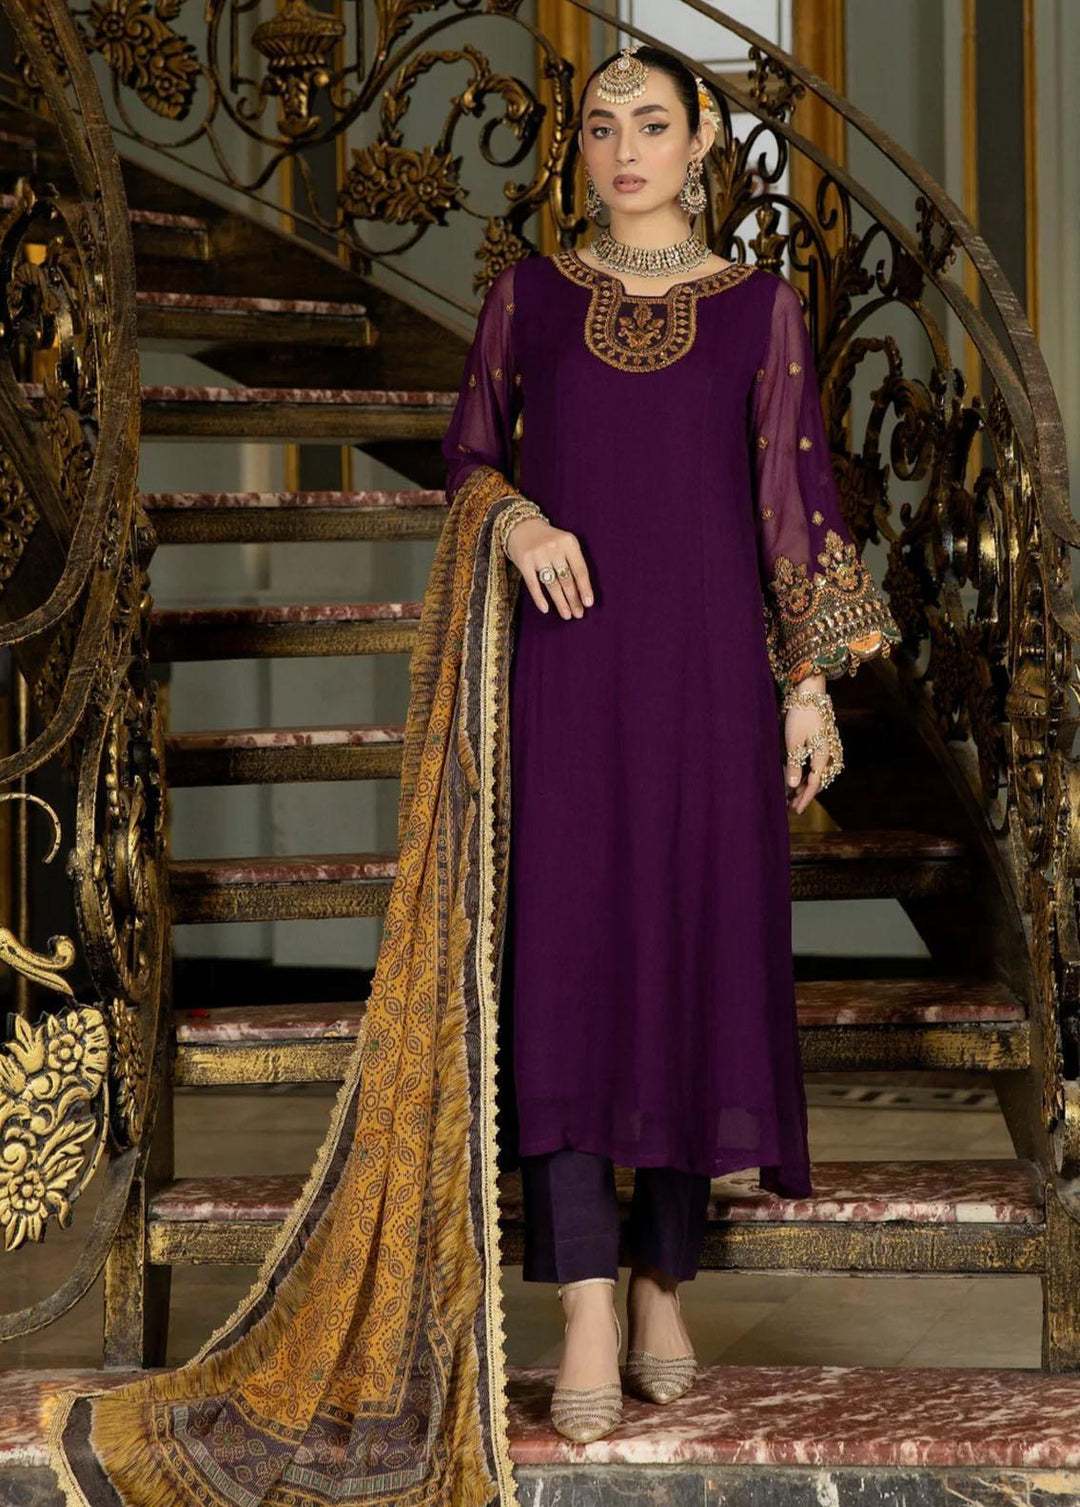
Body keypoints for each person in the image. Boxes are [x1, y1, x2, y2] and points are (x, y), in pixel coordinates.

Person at [439, 41, 902, 1445]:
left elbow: (794, 503)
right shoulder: (529, 297)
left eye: (652, 123)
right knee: (570, 962)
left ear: (702, 142)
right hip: (569, 675)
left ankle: (662, 1281)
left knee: (690, 954)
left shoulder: (762, 309)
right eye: (601, 126)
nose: (624, 149)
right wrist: (519, 521)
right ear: (579, 148)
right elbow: (468, 455)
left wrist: (808, 687)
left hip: (710, 683)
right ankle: (584, 1297)